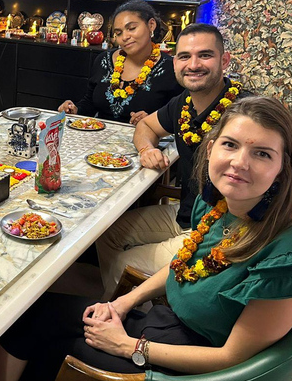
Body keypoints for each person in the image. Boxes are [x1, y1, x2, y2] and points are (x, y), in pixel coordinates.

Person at [0, 96, 292, 380]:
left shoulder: (291, 252)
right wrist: (122, 302)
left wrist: (127, 346)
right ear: (211, 148)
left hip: (193, 365)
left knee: (58, 350)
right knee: (32, 317)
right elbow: (181, 263)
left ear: (282, 168)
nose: (239, 163)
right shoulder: (221, 203)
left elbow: (233, 358)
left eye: (262, 154)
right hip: (165, 324)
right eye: (230, 144)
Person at [97, 23, 251, 295]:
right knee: (106, 232)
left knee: (124, 262)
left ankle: (130, 310)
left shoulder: (246, 115)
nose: (193, 64)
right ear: (174, 62)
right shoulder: (184, 103)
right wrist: (146, 150)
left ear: (224, 60)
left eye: (205, 55)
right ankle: (136, 300)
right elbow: (146, 127)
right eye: (184, 56)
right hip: (185, 215)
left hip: (220, 233)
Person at [58, 1, 182, 124]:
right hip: (99, 138)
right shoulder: (104, 60)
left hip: (146, 141)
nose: (125, 37)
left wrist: (152, 122)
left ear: (151, 25)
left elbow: (177, 119)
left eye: (132, 28)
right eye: (118, 33)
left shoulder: (172, 69)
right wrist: (74, 110)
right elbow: (90, 103)